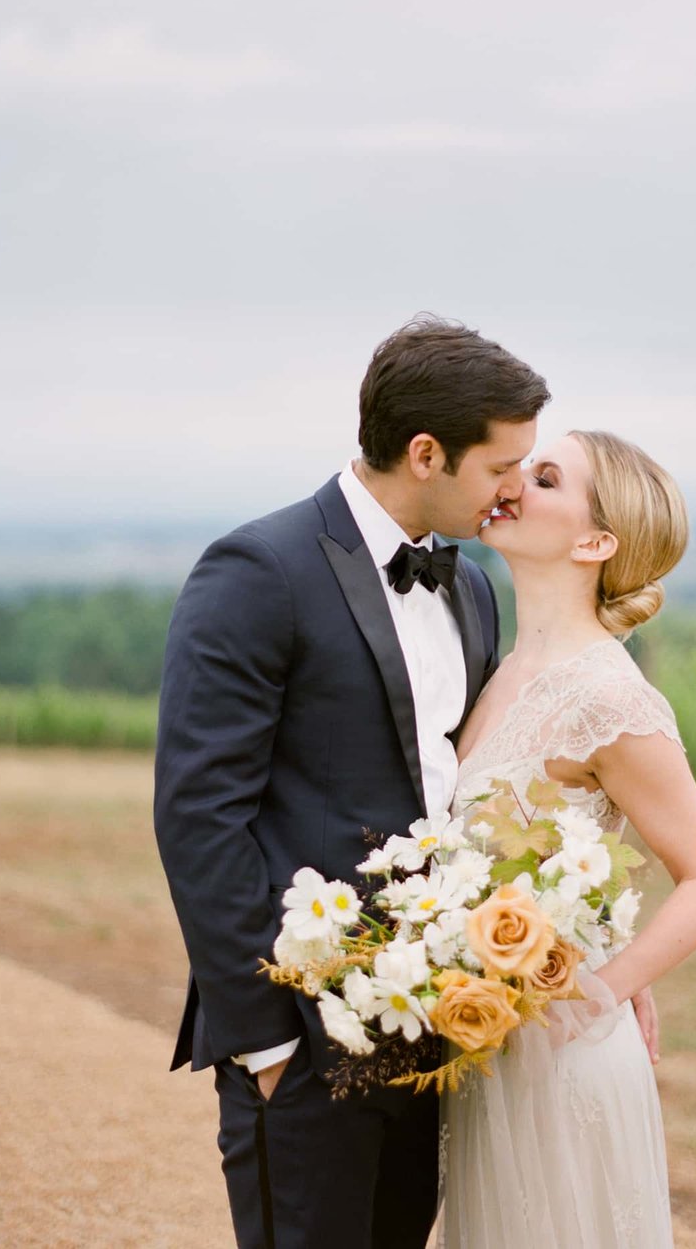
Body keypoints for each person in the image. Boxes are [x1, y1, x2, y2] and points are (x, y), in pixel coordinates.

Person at [153, 315, 552, 1249]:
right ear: (426, 452)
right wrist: (266, 1039)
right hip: (296, 1036)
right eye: (501, 466)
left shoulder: (473, 586)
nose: (510, 493)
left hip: (431, 1029)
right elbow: (199, 813)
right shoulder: (260, 569)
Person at [443, 430, 696, 1249]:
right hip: (482, 1050)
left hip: (561, 1060)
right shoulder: (494, 666)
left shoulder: (610, 697)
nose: (510, 483)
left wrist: (603, 985)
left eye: (541, 477)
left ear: (595, 541)